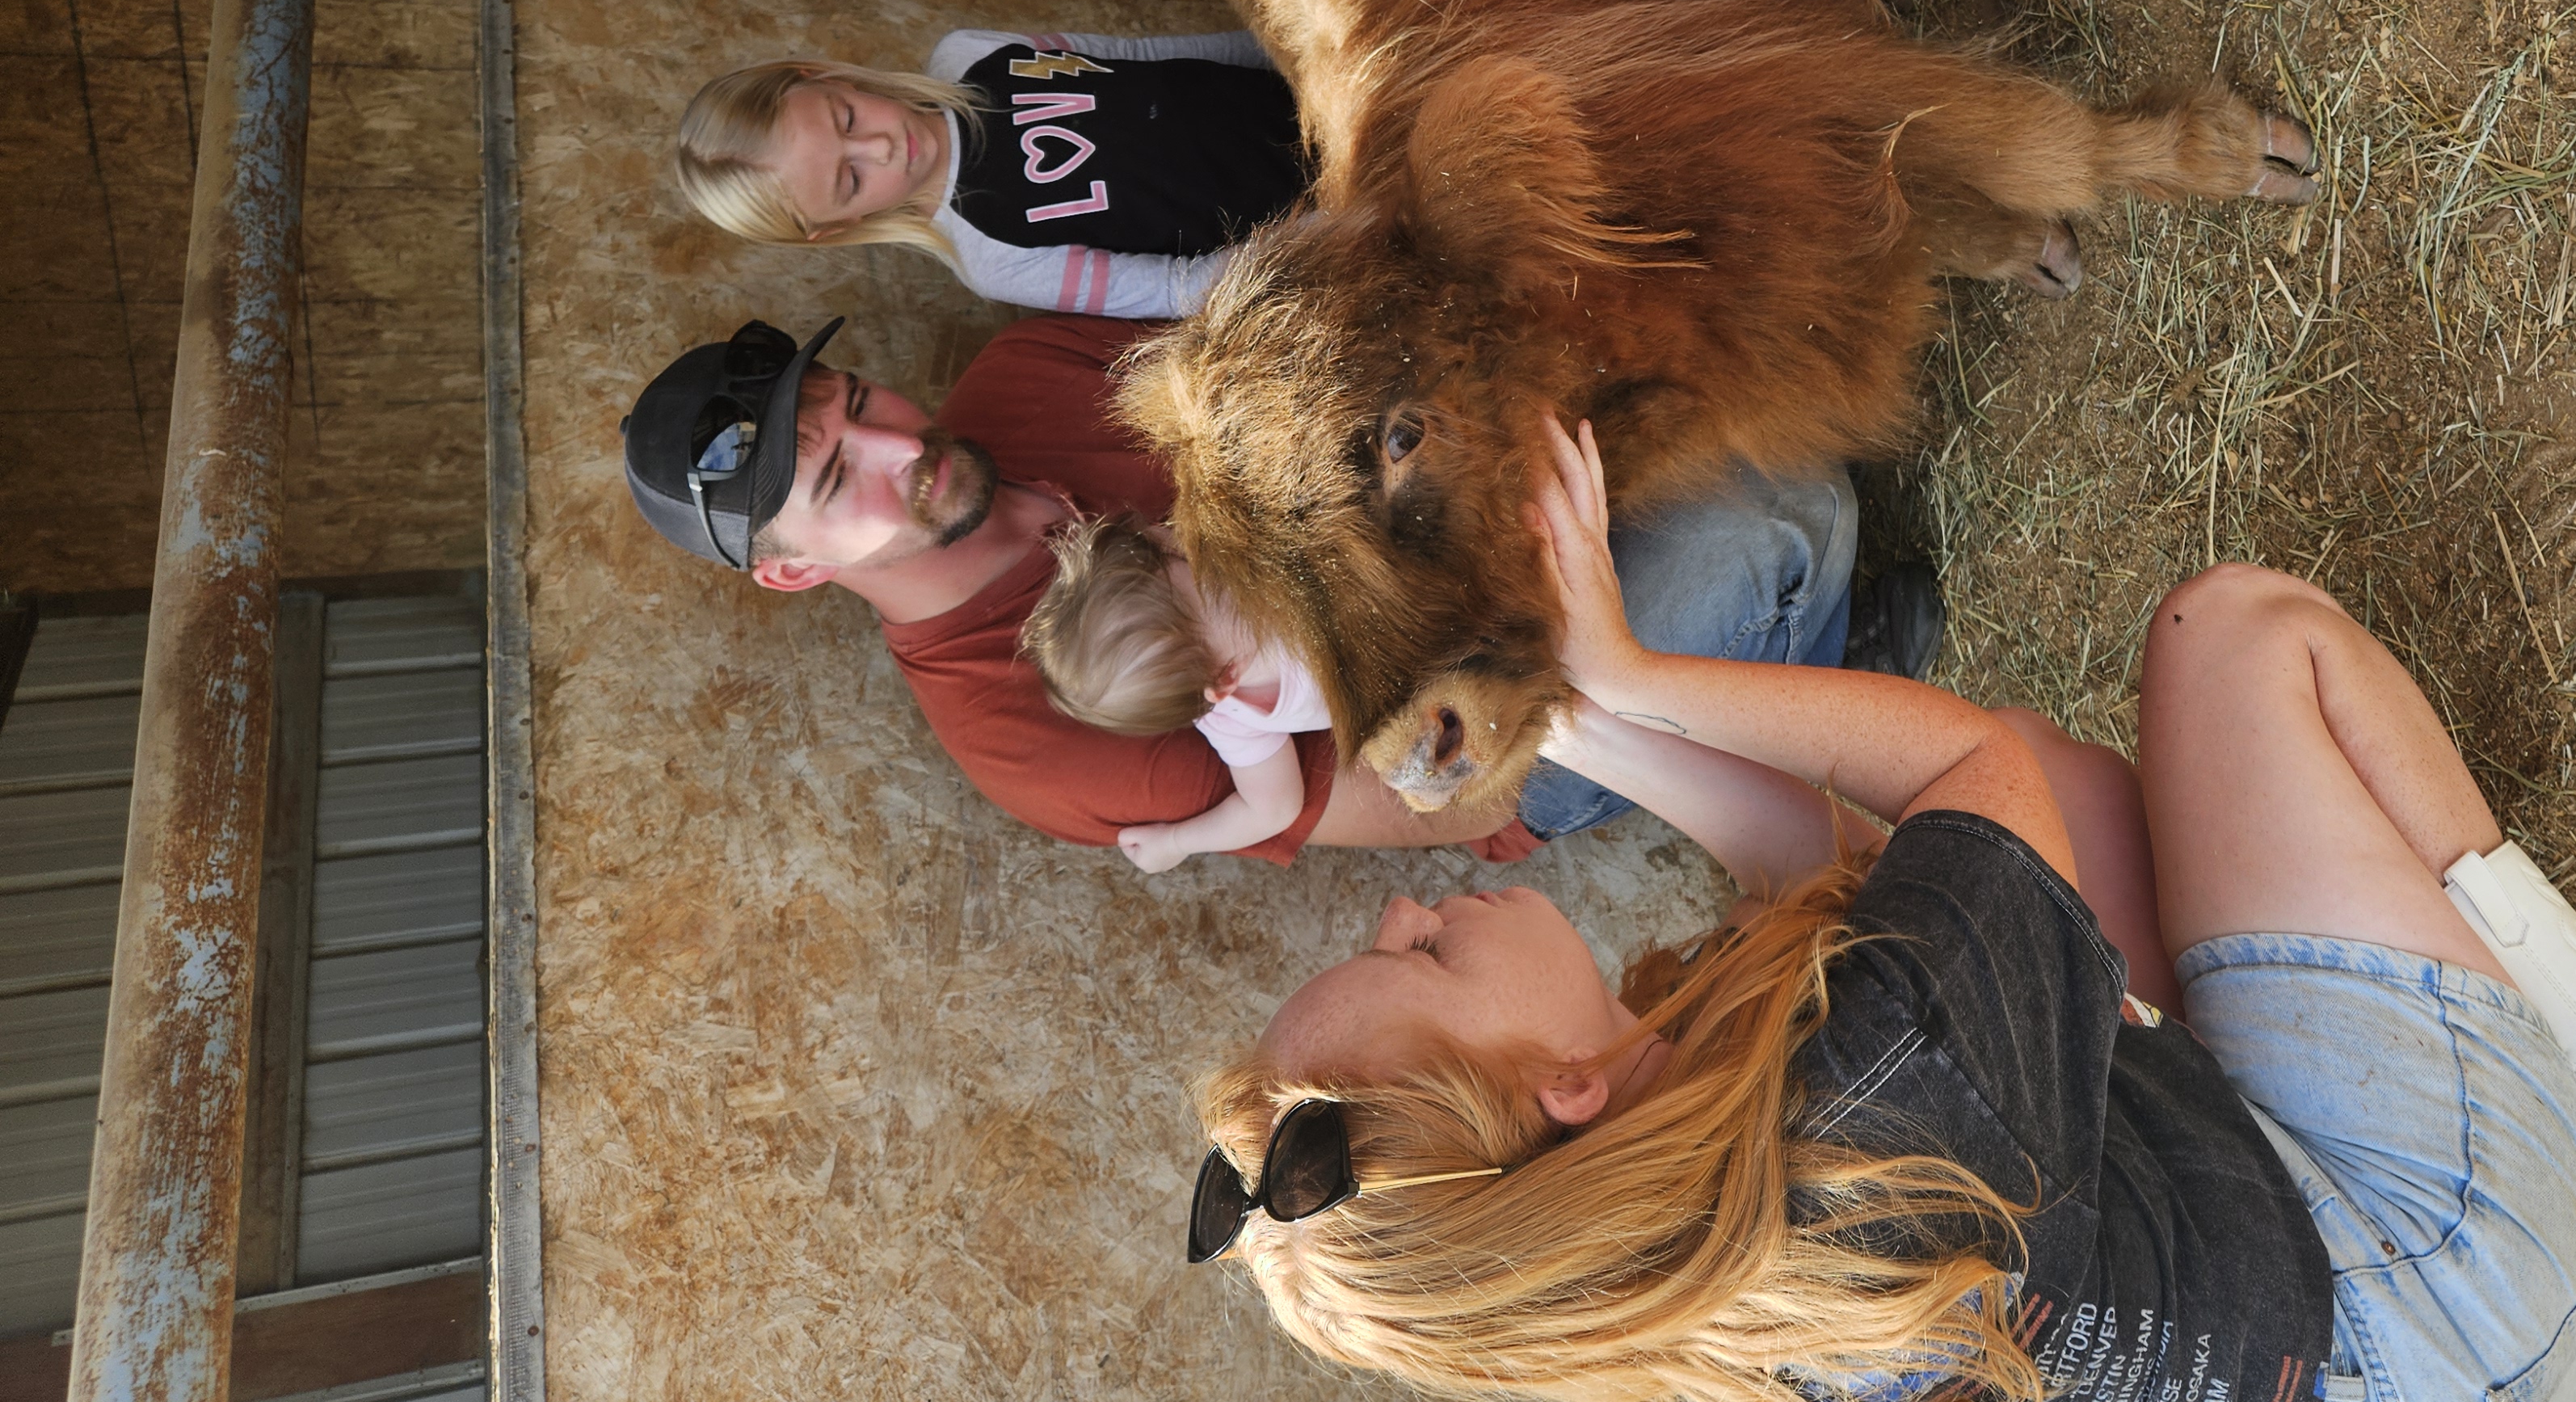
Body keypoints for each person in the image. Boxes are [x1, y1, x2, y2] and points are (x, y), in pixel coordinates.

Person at [1178, 418, 2576, 1402]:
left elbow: (1810, 881)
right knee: (2234, 648)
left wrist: (1587, 718)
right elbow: (1971, 774)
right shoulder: (1887, 1119)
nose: (1401, 915)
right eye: (1410, 962)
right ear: (1555, 1091)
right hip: (2441, 1279)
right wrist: (1632, 661)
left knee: (2072, 842)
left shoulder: (1689, 1281)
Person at [616, 314, 1879, 863]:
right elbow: (1406, 797)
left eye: (862, 406)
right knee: (1782, 518)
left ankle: (1782, 660)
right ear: (793, 570)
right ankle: (1823, 657)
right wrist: (1557, 642)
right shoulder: (1017, 734)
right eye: (843, 481)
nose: (906, 447)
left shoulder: (1019, 375)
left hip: (1434, 523)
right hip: (1481, 727)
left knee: (1707, 408)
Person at [673, 28, 1308, 319]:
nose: (881, 147)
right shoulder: (992, 256)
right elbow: (1181, 290)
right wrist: (1332, 228)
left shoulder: (969, 53)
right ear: (840, 226)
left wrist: (1290, 47)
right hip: (1319, 209)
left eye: (846, 118)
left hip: (1312, 90)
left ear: (827, 78)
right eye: (850, 180)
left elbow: (1142, 58)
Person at [1018, 511, 1326, 872]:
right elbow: (1274, 808)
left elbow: (1273, 810)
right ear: (1223, 682)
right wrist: (1176, 840)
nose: (1230, 564)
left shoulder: (1230, 705)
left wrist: (1175, 842)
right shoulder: (1232, 717)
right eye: (1214, 575)